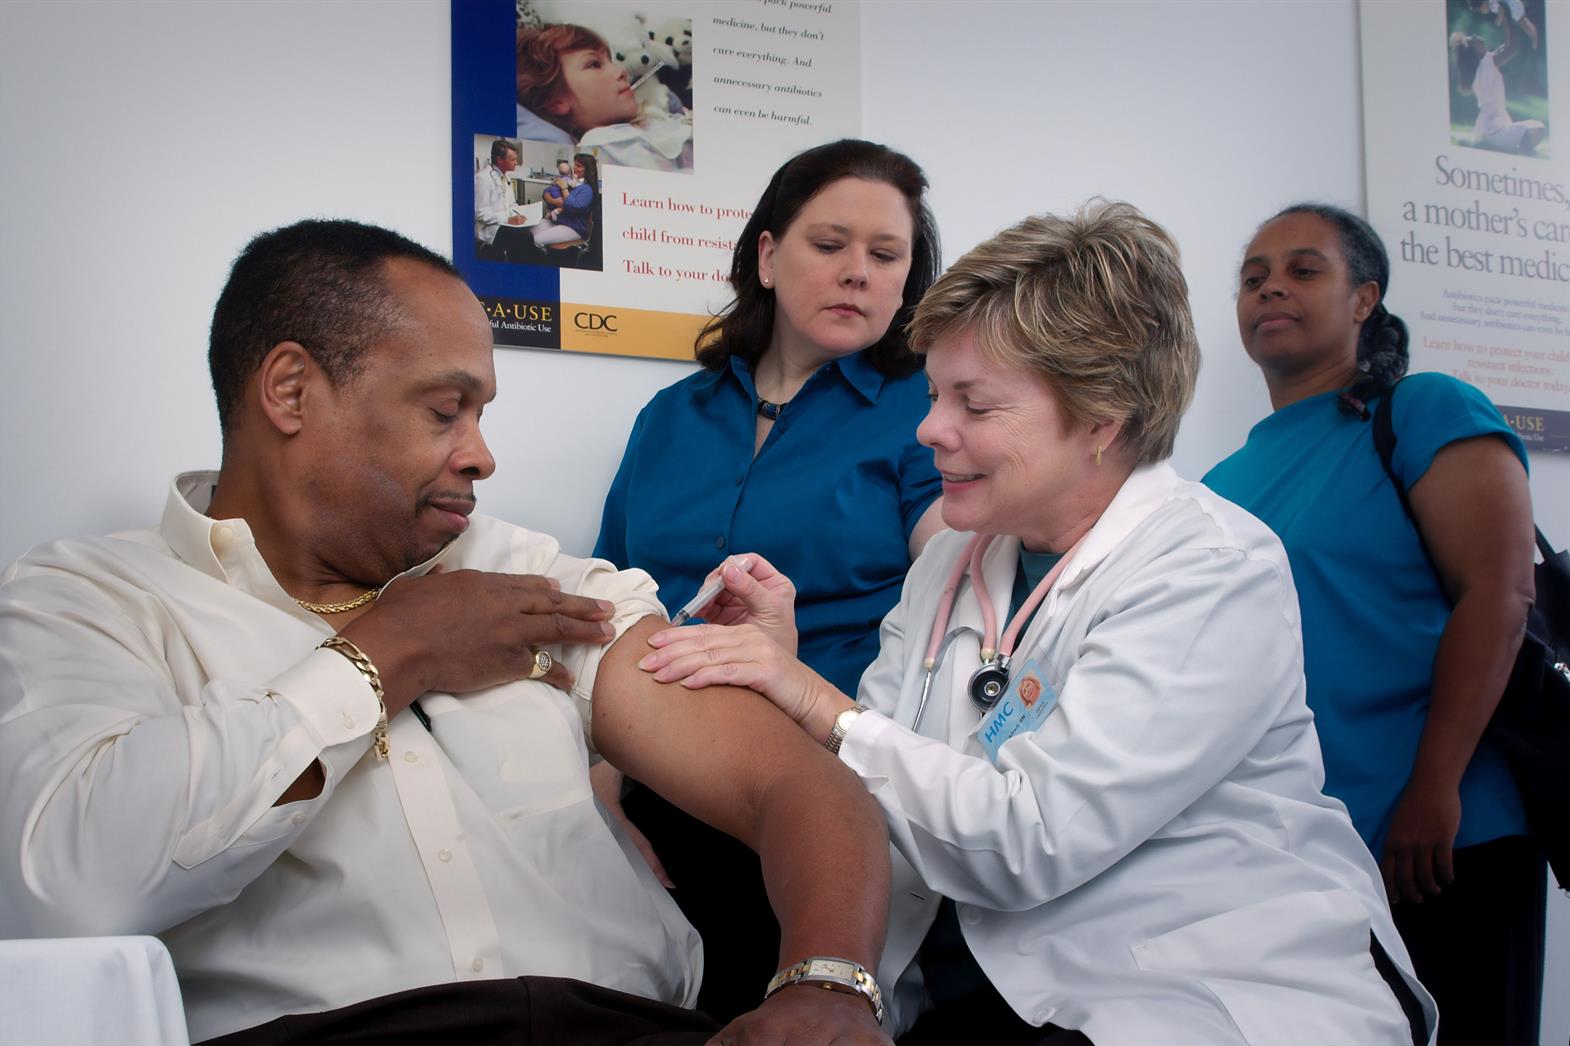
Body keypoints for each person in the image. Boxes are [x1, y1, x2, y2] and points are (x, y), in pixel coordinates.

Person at [0, 219, 895, 1044]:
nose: (481, 454)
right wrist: (391, 652)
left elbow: (794, 786)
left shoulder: (530, 578)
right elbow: (75, 883)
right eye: (444, 410)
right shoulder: (91, 603)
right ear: (290, 390)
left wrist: (827, 982)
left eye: (483, 415)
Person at [638, 201, 1436, 1043]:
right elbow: (876, 792)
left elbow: (1030, 841)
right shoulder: (955, 562)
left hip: (1193, 991)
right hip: (968, 989)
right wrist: (783, 676)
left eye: (973, 406)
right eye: (936, 392)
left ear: (1103, 419)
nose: (928, 429)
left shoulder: (1210, 564)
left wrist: (808, 698)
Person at [592, 138, 945, 1021]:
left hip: (833, 788)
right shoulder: (672, 416)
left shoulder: (934, 414)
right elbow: (604, 607)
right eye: (830, 245)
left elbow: (960, 596)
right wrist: (599, 787)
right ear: (766, 254)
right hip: (659, 775)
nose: (857, 273)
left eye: (886, 255)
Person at [1205, 203, 1543, 1045]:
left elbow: (1498, 598)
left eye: (1303, 269)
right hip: (1298, 853)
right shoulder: (1220, 480)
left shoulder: (1423, 410)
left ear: (1365, 298)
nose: (1270, 287)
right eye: (1253, 278)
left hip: (1441, 839)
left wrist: (1434, 790)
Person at [516, 24, 692, 173]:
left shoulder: (629, 129)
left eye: (611, 60)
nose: (621, 71)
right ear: (556, 100)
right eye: (594, 64)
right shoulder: (607, 144)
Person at [1450, 13, 1544, 155]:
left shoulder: (1483, 67)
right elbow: (1511, 48)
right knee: (1538, 128)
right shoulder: (1486, 64)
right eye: (1473, 40)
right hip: (1495, 130)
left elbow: (1508, 46)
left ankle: (1514, 147)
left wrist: (1508, 19)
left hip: (1493, 127)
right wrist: (1506, 16)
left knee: (1536, 128)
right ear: (1474, 52)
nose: (1475, 36)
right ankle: (1520, 150)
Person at [473, 138, 530, 261]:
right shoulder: (482, 179)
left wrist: (519, 215)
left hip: (504, 224)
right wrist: (508, 219)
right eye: (513, 159)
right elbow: (479, 213)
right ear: (500, 160)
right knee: (525, 238)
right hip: (490, 231)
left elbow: (511, 204)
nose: (516, 163)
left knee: (528, 234)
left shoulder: (506, 177)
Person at [531, 152, 597, 248]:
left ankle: (544, 262)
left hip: (573, 227)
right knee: (528, 235)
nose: (574, 168)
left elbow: (571, 206)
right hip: (558, 221)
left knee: (536, 241)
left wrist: (564, 188)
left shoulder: (587, 189)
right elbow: (547, 191)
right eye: (574, 164)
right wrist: (553, 200)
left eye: (579, 166)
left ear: (588, 169)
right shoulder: (570, 179)